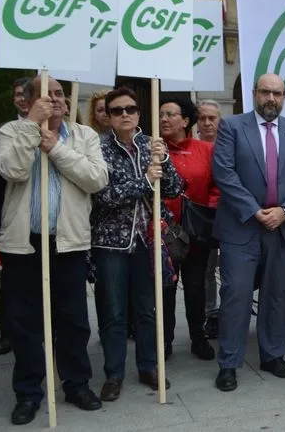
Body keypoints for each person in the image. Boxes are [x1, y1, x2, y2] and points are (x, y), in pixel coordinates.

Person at [0, 76, 108, 424]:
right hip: (23, 244)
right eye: (47, 95)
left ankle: (76, 383)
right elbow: (12, 169)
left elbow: (96, 179)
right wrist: (32, 128)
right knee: (25, 323)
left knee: (73, 319)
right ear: (28, 102)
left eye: (60, 94)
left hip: (68, 241)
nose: (57, 100)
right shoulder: (11, 133)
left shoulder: (83, 135)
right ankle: (28, 392)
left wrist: (56, 149)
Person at [211, 74, 285, 392]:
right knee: (236, 296)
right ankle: (229, 362)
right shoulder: (232, 127)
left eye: (277, 93)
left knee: (279, 296)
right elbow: (223, 173)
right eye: (265, 92)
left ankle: (273, 355)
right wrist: (256, 212)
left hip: (282, 228)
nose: (271, 98)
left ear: (284, 97)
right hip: (242, 226)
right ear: (254, 94)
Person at [91, 86, 182, 401]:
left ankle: (148, 366)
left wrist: (165, 159)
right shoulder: (99, 148)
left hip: (147, 241)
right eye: (117, 110)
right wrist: (144, 179)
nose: (125, 115)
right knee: (113, 312)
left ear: (139, 113)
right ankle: (114, 374)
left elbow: (172, 189)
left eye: (130, 109)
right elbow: (104, 195)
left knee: (147, 310)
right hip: (111, 245)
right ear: (110, 117)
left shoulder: (150, 144)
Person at [160, 98, 218, 361]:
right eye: (161, 114)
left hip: (196, 232)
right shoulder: (154, 150)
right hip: (164, 232)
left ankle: (198, 336)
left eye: (171, 114)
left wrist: (208, 209)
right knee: (166, 288)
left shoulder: (205, 150)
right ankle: (165, 340)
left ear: (185, 121)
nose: (164, 119)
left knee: (196, 287)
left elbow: (217, 186)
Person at [0, 76, 29, 357]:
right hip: (13, 216)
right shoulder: (3, 131)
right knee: (12, 284)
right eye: (17, 94)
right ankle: (7, 333)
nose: (21, 98)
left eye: (25, 93)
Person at [195, 99, 223, 338]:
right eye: (202, 117)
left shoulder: (229, 143)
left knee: (232, 268)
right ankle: (210, 313)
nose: (207, 123)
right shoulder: (193, 147)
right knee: (207, 267)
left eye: (212, 118)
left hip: (230, 213)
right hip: (203, 215)